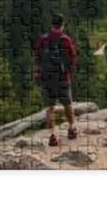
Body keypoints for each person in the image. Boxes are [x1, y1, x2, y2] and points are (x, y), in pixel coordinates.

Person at [33, 14, 79, 147]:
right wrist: (67, 71)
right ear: (62, 25)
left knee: (50, 108)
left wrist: (37, 74)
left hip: (47, 78)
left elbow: (37, 58)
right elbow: (72, 59)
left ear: (51, 25)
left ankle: (52, 136)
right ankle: (71, 129)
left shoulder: (43, 39)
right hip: (62, 78)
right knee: (67, 104)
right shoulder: (65, 40)